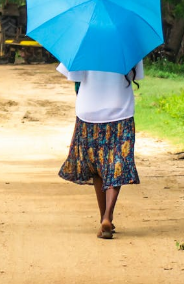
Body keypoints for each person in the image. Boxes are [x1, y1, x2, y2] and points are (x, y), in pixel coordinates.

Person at [57, 59, 144, 239]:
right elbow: (138, 76)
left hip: (89, 112)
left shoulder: (83, 42)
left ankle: (104, 218)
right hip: (121, 112)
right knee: (116, 165)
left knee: (96, 166)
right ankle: (107, 216)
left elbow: (75, 78)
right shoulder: (128, 42)